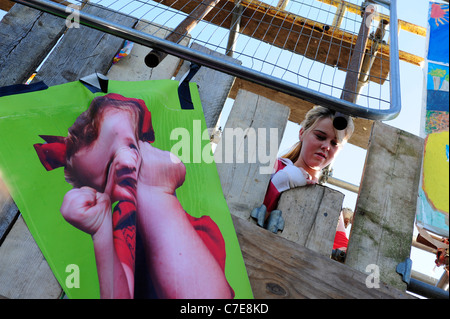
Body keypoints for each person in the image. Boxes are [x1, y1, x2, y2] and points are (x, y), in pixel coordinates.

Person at [34, 93, 233, 299]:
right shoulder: (133, 234)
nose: (131, 161)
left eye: (133, 143)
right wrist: (103, 228)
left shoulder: (200, 229)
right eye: (111, 169)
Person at [263, 105, 355, 231]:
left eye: (334, 143)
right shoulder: (272, 167)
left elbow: (340, 248)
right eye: (320, 136)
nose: (326, 146)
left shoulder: (329, 205)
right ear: (302, 133)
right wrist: (280, 183)